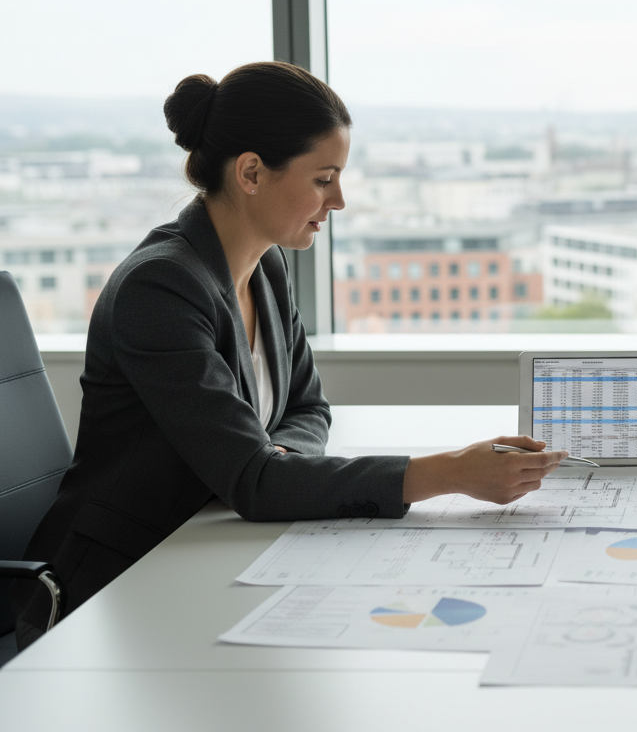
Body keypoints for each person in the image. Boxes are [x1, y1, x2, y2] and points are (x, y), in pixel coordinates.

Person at [11, 62, 568, 649]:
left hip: (209, 546)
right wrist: (449, 473)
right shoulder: (160, 288)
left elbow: (307, 409)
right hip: (120, 582)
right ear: (251, 172)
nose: (340, 200)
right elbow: (254, 481)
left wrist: (276, 468)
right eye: (324, 179)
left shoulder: (265, 266)